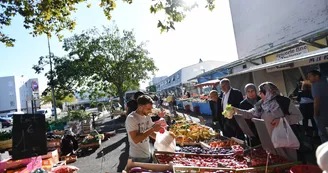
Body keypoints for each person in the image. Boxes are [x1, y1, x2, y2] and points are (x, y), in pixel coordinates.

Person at [234, 82, 303, 161]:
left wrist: (281, 120)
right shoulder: (261, 104)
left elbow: (298, 116)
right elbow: (250, 114)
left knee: (289, 159)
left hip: (285, 138)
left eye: (261, 92)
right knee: (277, 161)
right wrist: (236, 110)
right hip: (270, 140)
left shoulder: (283, 101)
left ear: (269, 92)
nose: (260, 95)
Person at [125, 95, 163, 163]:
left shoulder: (147, 117)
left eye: (151, 109)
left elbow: (151, 133)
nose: (150, 111)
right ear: (140, 107)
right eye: (148, 109)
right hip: (136, 157)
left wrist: (164, 139)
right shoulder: (131, 118)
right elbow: (136, 140)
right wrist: (153, 129)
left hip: (148, 153)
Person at [307, 70, 328, 143]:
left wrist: (315, 114)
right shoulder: (325, 83)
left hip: (321, 113)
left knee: (322, 133)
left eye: (310, 76)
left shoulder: (315, 85)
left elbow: (317, 100)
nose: (308, 78)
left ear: (317, 76)